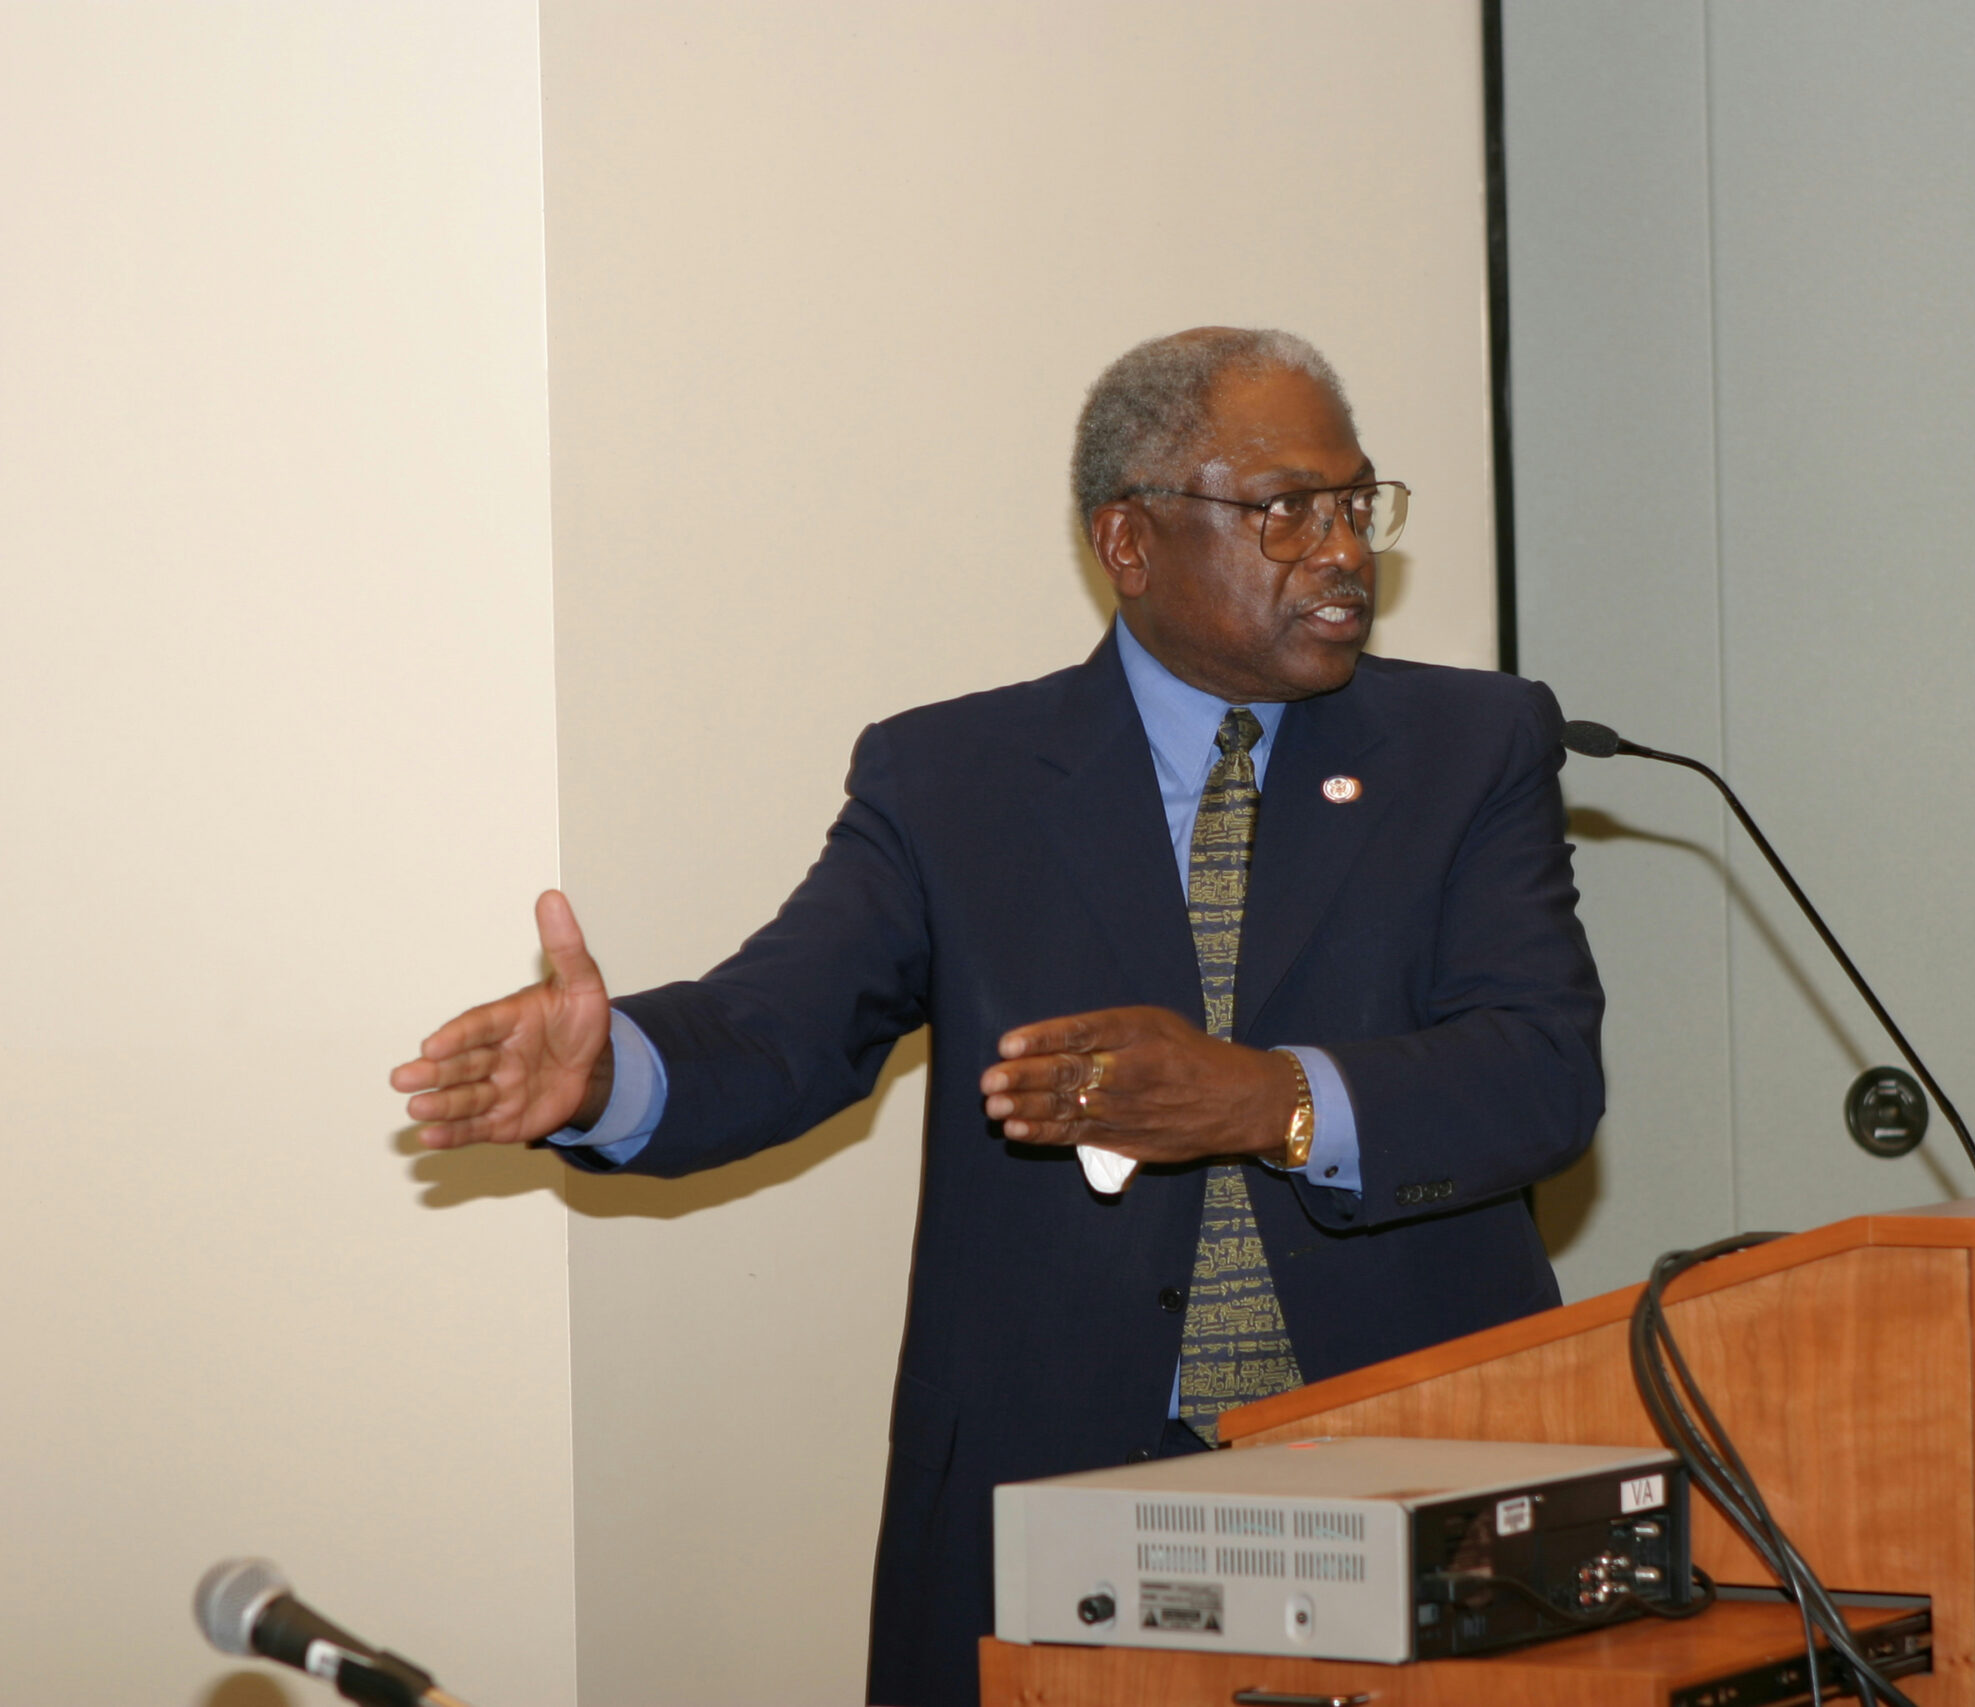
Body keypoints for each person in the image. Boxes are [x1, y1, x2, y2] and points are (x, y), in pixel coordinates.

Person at [391, 327, 1604, 1706]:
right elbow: (787, 1025)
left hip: (1410, 1469)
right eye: (1283, 511)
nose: (1339, 549)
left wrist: (1270, 1099)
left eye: (1353, 503)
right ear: (1129, 541)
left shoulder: (1472, 748)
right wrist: (615, 1071)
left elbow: (1542, 1072)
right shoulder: (954, 777)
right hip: (1060, 1481)